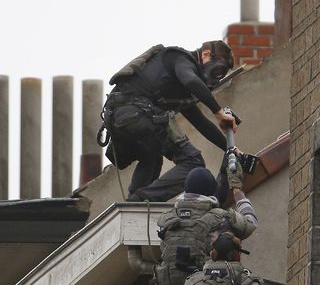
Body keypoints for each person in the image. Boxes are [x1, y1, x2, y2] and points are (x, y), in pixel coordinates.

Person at [101, 41, 238, 202]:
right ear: (206, 54)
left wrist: (231, 149)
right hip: (137, 112)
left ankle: (133, 207)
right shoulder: (180, 58)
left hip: (120, 117)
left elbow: (201, 123)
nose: (217, 77)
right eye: (218, 70)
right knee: (192, 161)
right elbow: (192, 81)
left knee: (151, 157)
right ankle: (140, 200)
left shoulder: (179, 87)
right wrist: (219, 112)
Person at [154, 166, 257, 285]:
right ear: (210, 191)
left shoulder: (167, 219)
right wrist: (237, 191)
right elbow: (250, 224)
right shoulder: (220, 217)